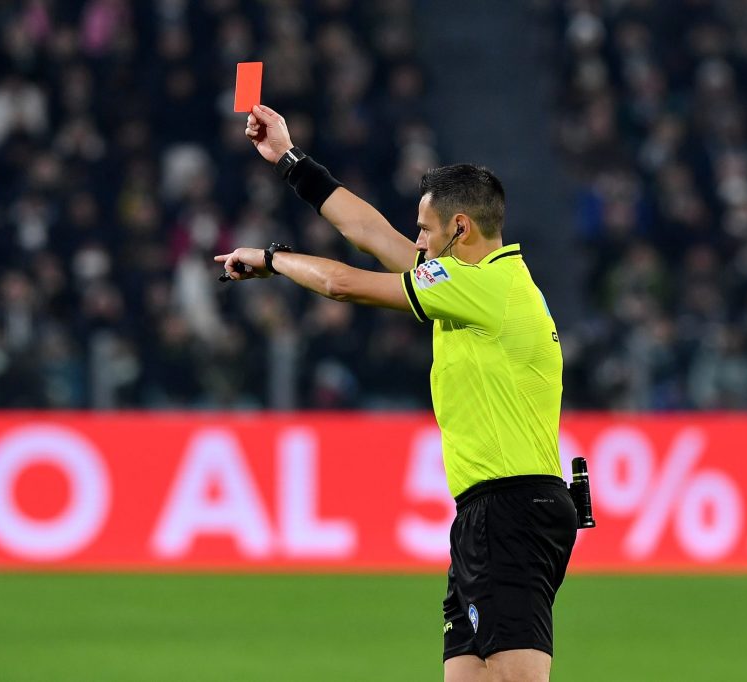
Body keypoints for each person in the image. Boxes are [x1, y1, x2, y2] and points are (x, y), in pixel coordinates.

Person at [217, 104, 578, 682]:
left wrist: (274, 260)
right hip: (489, 512)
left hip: (510, 508)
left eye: (426, 229)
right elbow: (370, 233)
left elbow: (341, 283)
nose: (416, 239)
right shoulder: (469, 282)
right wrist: (287, 157)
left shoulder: (484, 287)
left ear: (460, 228)